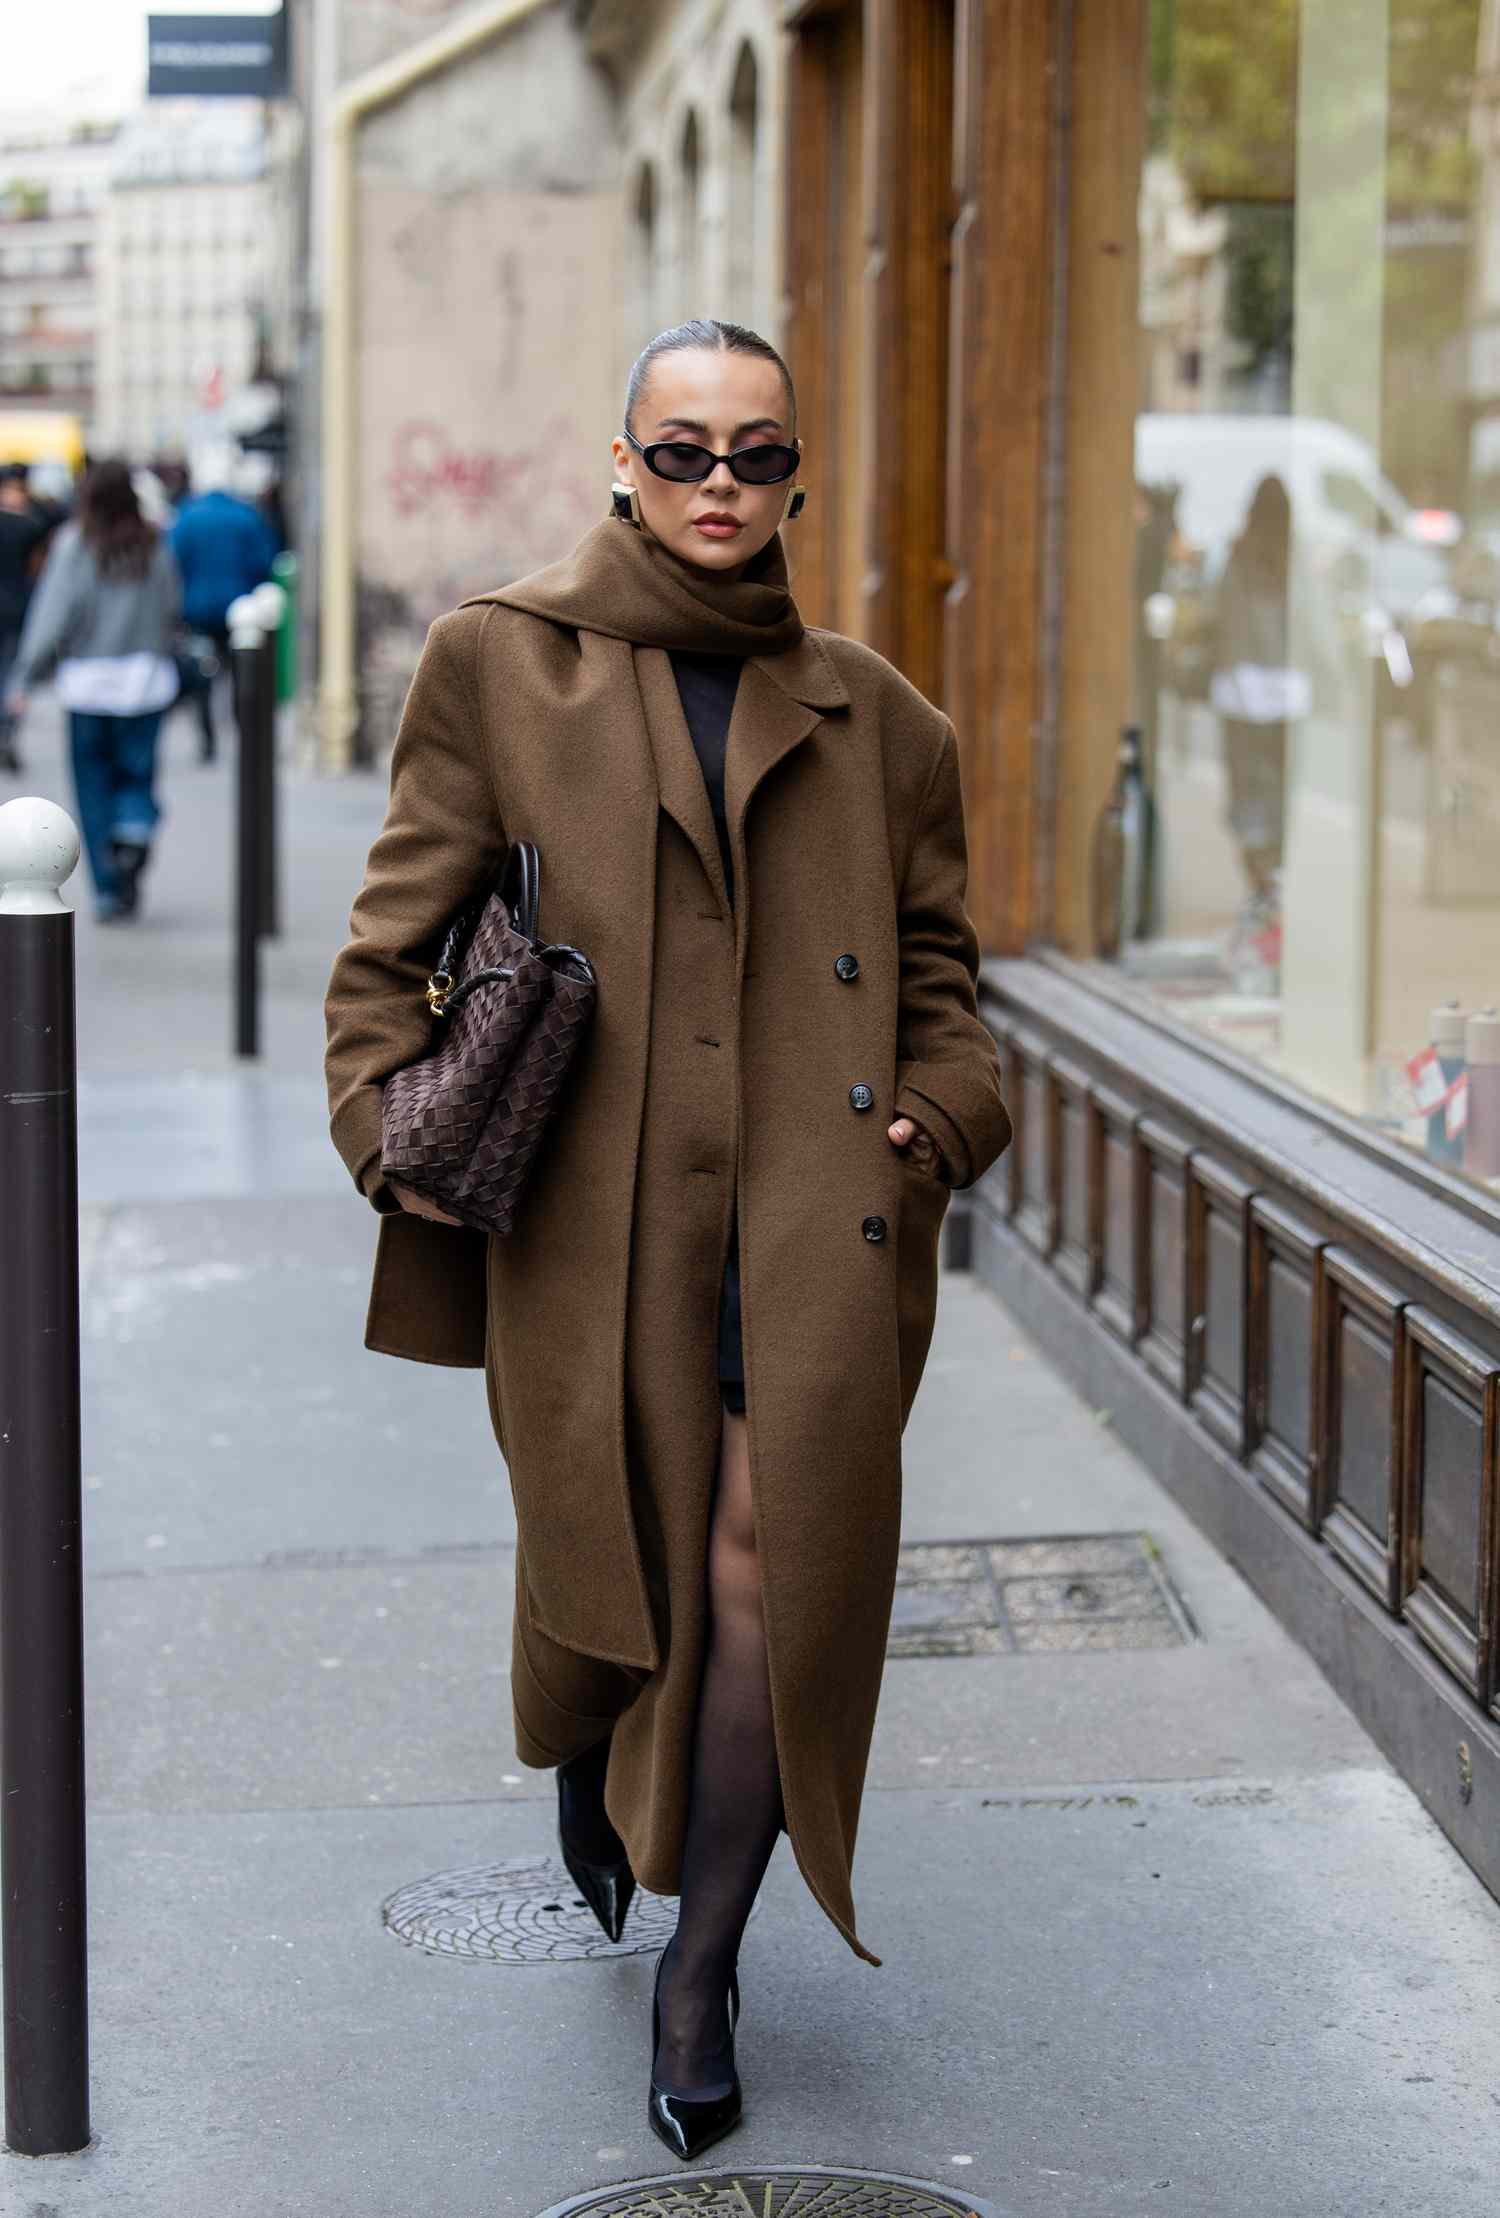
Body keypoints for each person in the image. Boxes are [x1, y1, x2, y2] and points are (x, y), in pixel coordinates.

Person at [323, 319, 1012, 2160]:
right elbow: (387, 956)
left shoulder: (886, 719)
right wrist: (394, 1139)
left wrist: (937, 1116)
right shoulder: (499, 665)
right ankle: (589, 1740)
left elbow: (946, 982)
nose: (722, 485)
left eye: (757, 453)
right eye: (686, 450)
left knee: (770, 1586)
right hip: (593, 1232)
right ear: (622, 462)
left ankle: (700, 1968)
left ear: (799, 475)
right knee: (609, 1565)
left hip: (811, 1237)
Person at [5, 457, 181, 922]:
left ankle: (106, 882)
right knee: (137, 772)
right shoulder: (153, 541)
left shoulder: (74, 543)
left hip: (87, 684)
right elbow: (171, 606)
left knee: (92, 783)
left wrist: (24, 676)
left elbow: (53, 614)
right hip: (144, 680)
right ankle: (135, 831)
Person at [168, 450, 279, 761]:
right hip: (241, 608)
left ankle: (207, 739)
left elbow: (171, 563)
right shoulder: (247, 516)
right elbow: (265, 561)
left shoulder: (186, 516)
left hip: (198, 611)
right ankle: (246, 733)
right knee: (241, 671)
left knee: (202, 675)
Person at [0, 466, 47, 774]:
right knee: (13, 674)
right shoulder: (31, 524)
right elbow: (37, 569)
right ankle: (7, 730)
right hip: (18, 608)